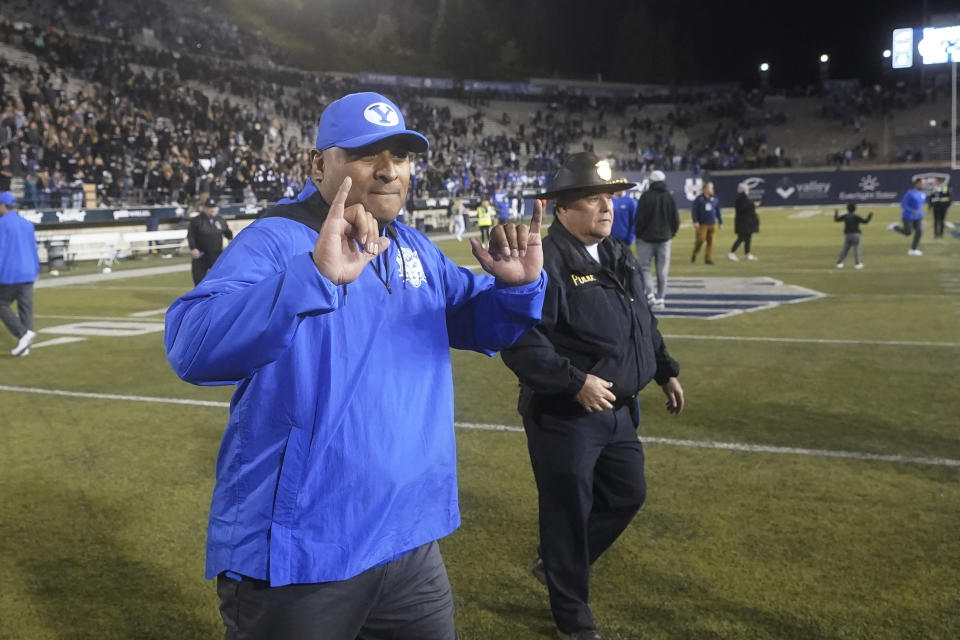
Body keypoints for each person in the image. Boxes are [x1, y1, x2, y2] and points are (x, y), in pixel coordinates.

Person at [164, 92, 547, 640]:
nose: (389, 170)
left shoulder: (413, 247)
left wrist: (516, 289)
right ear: (319, 164)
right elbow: (190, 345)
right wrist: (310, 277)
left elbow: (471, 318)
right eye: (367, 154)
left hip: (409, 541)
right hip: (305, 552)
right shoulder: (276, 239)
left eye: (401, 155)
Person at [501, 152, 684, 640]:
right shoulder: (546, 260)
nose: (607, 207)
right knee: (567, 513)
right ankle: (572, 618)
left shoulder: (619, 252)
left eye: (609, 198)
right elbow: (519, 341)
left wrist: (664, 369)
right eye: (593, 199)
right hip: (566, 415)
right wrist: (573, 382)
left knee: (628, 494)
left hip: (620, 412)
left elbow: (641, 321)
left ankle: (560, 566)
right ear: (562, 208)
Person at [0, 191, 39, 357]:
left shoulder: (2, 224)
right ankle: (25, 346)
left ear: (2, 205)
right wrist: (36, 269)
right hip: (28, 270)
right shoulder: (27, 224)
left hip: (10, 272)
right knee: (26, 309)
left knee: (1, 304)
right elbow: (33, 248)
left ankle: (23, 334)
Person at [634, 169, 679, 309]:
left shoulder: (645, 197)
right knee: (662, 270)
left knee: (645, 268)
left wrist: (639, 234)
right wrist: (670, 234)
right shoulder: (668, 197)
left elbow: (640, 219)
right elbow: (675, 219)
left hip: (646, 239)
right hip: (664, 239)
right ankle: (661, 298)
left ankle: (651, 295)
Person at [187, 196, 234, 284]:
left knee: (218, 281)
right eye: (210, 208)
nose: (212, 210)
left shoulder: (220, 220)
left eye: (214, 207)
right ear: (204, 208)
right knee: (199, 281)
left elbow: (227, 231)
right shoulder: (196, 220)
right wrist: (193, 248)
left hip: (216, 255)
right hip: (201, 256)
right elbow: (191, 235)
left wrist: (230, 239)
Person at [888, 178, 926, 256]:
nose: (923, 185)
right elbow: (903, 204)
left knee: (919, 231)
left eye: (923, 183)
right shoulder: (910, 193)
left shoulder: (923, 194)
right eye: (922, 183)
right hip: (908, 217)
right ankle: (895, 227)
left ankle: (913, 249)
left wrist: (921, 214)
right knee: (908, 232)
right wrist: (911, 210)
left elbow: (919, 206)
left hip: (918, 217)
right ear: (917, 184)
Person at [691, 181, 722, 264]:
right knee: (700, 240)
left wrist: (720, 221)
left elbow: (718, 210)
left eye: (712, 188)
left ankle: (708, 259)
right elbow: (694, 211)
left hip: (712, 223)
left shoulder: (715, 198)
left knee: (710, 242)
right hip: (702, 224)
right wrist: (695, 221)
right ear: (705, 189)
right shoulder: (699, 199)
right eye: (710, 188)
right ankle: (695, 253)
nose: (712, 189)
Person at [834, 203, 872, 269]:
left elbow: (837, 219)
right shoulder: (856, 216)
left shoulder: (845, 216)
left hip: (848, 235)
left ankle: (839, 263)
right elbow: (866, 221)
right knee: (857, 249)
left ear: (847, 209)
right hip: (856, 234)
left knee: (845, 250)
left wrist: (836, 212)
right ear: (854, 209)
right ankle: (857, 264)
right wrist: (870, 216)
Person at [728, 184, 759, 261]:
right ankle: (731, 253)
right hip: (743, 223)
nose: (748, 191)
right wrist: (753, 205)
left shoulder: (743, 199)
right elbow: (744, 209)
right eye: (747, 190)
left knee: (748, 238)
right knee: (741, 238)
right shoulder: (741, 199)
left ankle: (747, 254)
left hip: (746, 223)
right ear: (744, 190)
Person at [609, 181, 637, 247]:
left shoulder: (631, 202)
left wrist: (630, 238)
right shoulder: (609, 200)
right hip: (609, 238)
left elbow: (634, 221)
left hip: (624, 240)